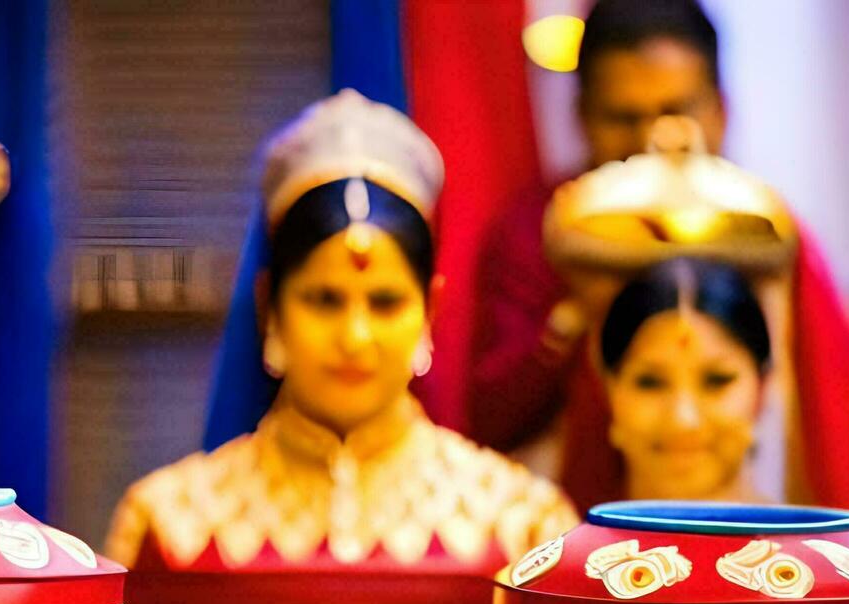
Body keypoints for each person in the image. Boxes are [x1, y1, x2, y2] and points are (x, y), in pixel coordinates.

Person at [107, 91, 576, 575]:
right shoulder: (166, 526)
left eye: (385, 302)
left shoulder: (523, 529)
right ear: (270, 307)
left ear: (431, 309)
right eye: (324, 299)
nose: (355, 338)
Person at [465, 0, 849, 521]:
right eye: (624, 118)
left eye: (676, 111)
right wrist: (574, 313)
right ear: (581, 117)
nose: (654, 140)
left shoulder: (763, 231)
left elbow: (833, 426)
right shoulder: (546, 233)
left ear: (720, 109)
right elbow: (486, 420)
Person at [599, 258, 769, 502]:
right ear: (609, 389)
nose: (683, 420)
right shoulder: (543, 533)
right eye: (650, 383)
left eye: (716, 381)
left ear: (762, 390)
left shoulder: (814, 541)